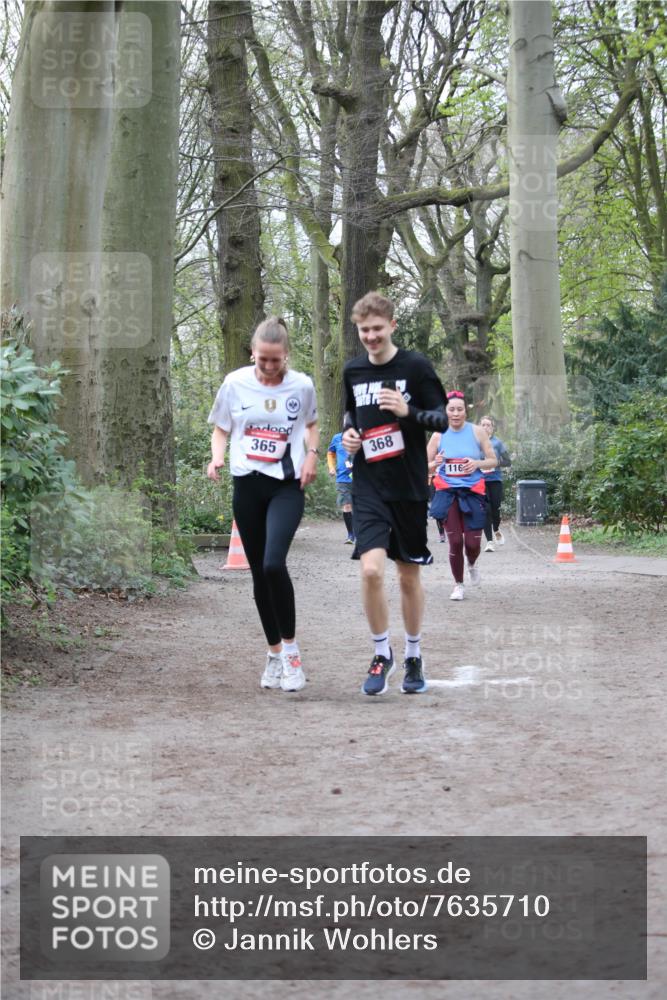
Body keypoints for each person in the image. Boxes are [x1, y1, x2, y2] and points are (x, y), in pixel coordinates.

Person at [341, 291, 449, 697]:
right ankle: (382, 652)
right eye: (364, 330)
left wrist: (409, 414)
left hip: (408, 484)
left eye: (377, 329)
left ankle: (414, 654)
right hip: (369, 482)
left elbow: (442, 418)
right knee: (370, 570)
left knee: (407, 575)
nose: (370, 337)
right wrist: (350, 435)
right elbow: (350, 414)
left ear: (392, 326)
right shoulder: (352, 370)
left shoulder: (416, 366)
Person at [207, 317, 319, 693]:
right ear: (253, 353)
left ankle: (291, 653)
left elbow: (312, 424)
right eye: (263, 360)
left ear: (286, 355)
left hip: (286, 486)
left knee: (274, 564)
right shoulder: (234, 383)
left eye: (276, 360)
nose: (270, 367)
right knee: (258, 573)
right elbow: (221, 427)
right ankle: (273, 654)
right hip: (247, 485)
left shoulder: (301, 385)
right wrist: (217, 458)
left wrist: (312, 456)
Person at [427, 392, 497, 601]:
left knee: (473, 545)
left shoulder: (477, 433)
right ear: (445, 412)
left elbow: (493, 461)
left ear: (466, 411)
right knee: (455, 541)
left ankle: (472, 564)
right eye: (451, 409)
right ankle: (458, 584)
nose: (455, 413)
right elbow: (424, 465)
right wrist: (435, 464)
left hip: (473, 492)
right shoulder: (438, 435)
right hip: (447, 492)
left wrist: (476, 463)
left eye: (459, 409)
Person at [479, 415, 512, 552]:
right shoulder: (474, 442)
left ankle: (496, 529)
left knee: (495, 510)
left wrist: (496, 462)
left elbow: (508, 461)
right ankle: (490, 541)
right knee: (486, 510)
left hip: (495, 480)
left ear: (492, 428)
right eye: (483, 425)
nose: (486, 427)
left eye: (488, 425)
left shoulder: (498, 443)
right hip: (480, 481)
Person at [327, 431, 355, 543]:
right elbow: (330, 452)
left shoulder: (363, 434)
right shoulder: (337, 437)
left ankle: (360, 533)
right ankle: (351, 535)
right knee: (347, 505)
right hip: (343, 478)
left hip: (362, 478)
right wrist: (331, 467)